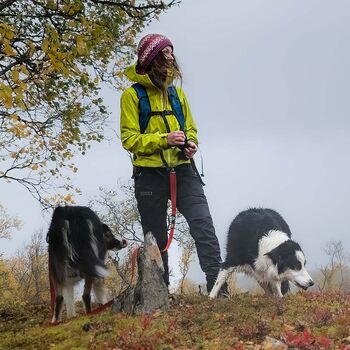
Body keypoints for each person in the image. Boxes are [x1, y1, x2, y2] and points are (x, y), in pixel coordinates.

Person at [120, 33, 223, 293]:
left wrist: (190, 145)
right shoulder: (132, 97)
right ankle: (160, 294)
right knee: (155, 238)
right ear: (152, 58)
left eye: (171, 52)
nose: (171, 57)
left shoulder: (177, 94)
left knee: (204, 227)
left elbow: (191, 128)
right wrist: (163, 139)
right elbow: (129, 139)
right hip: (149, 177)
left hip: (184, 172)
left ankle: (218, 288)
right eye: (166, 53)